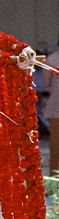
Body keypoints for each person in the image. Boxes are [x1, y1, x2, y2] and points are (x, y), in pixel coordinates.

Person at [42, 39, 59, 174]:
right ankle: (55, 177)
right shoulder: (53, 59)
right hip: (56, 106)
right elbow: (46, 83)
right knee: (56, 143)